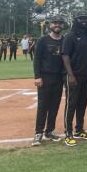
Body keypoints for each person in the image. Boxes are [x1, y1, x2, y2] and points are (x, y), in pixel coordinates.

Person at [32, 16, 66, 146]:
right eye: (55, 23)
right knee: (43, 106)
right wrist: (37, 76)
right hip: (45, 77)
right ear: (50, 25)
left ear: (62, 25)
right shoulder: (43, 40)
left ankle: (49, 131)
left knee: (54, 106)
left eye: (59, 23)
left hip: (59, 78)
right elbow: (37, 59)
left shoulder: (65, 40)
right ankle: (38, 133)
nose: (57, 25)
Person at [62, 11, 87, 147]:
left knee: (82, 103)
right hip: (73, 76)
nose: (84, 21)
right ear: (76, 20)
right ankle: (68, 133)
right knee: (71, 104)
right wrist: (70, 75)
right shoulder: (70, 36)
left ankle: (79, 129)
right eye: (81, 18)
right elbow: (65, 56)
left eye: (86, 18)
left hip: (85, 75)